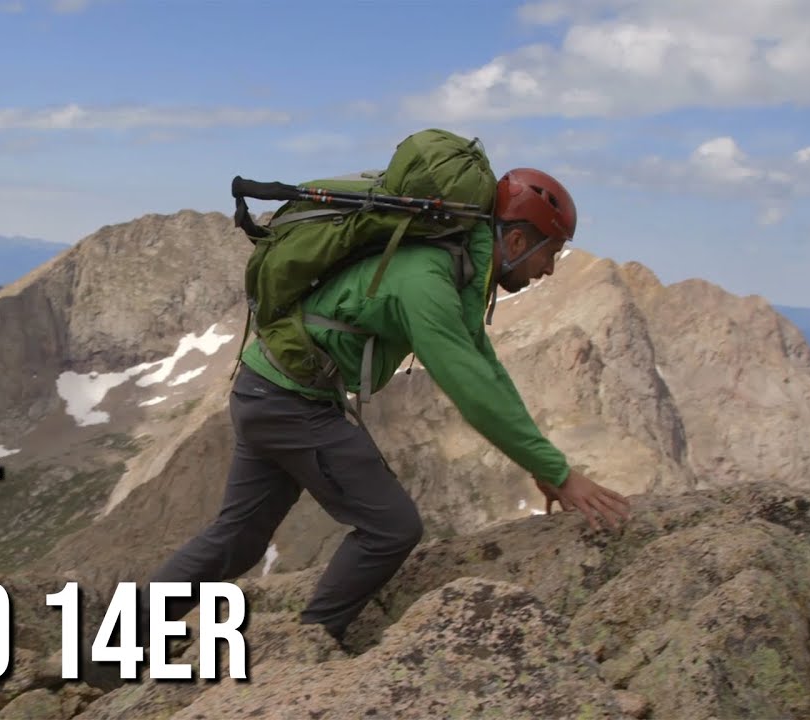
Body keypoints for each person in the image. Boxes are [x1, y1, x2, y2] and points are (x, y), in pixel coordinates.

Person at [138, 167, 633, 650]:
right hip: (291, 403)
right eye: (551, 254)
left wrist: (543, 465)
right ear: (520, 242)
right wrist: (563, 475)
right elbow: (470, 386)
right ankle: (308, 643)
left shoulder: (454, 270)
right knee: (392, 528)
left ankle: (117, 644)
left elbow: (485, 367)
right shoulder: (426, 279)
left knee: (239, 538)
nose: (549, 269)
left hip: (265, 389)